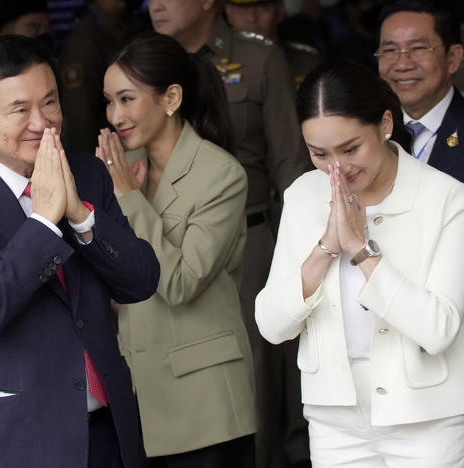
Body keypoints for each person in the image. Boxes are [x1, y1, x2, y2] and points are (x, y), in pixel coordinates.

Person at [0, 35, 160, 468]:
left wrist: (79, 214)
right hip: (17, 437)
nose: (42, 123)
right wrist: (43, 221)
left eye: (50, 102)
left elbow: (140, 282)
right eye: (19, 110)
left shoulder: (86, 172)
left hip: (108, 432)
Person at [256, 59, 464, 467]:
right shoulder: (304, 196)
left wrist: (362, 252)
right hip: (335, 418)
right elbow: (271, 325)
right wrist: (326, 248)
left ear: (386, 124)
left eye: (351, 148)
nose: (337, 167)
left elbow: (439, 330)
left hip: (426, 418)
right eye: (319, 153)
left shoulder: (446, 200)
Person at [149, 1, 311, 466]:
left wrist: (300, 254)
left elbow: (291, 168)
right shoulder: (144, 63)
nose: (155, 4)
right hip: (163, 240)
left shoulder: (259, 58)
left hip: (250, 239)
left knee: (252, 376)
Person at [95, 31, 255, 467]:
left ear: (171, 98)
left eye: (127, 99)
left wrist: (130, 199)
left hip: (205, 407)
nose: (115, 114)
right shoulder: (122, 170)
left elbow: (182, 282)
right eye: (109, 101)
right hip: (140, 399)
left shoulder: (220, 174)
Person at [377, 0, 464, 182]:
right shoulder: (367, 128)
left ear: (453, 58)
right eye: (390, 50)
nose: (402, 64)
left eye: (418, 48)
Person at [58, 0, 145, 152]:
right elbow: (79, 113)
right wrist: (88, 166)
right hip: (106, 152)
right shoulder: (85, 40)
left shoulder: (124, 26)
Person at [224, 0, 321, 87]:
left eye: (263, 7)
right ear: (227, 11)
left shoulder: (307, 63)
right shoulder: (212, 64)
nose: (252, 18)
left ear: (280, 10)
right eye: (243, 9)